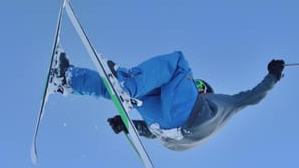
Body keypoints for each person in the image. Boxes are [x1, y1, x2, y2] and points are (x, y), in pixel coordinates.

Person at [50, 48, 284, 151]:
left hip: (191, 116)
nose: (196, 86)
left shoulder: (225, 103)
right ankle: (67, 79)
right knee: (132, 92)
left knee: (178, 62)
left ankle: (127, 86)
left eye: (199, 85)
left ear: (205, 91)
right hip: (167, 131)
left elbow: (253, 96)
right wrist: (130, 126)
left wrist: (273, 75)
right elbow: (155, 132)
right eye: (197, 83)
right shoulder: (171, 104)